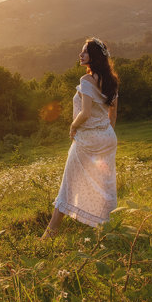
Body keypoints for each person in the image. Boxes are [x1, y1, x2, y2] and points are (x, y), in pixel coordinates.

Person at [42, 37, 119, 238]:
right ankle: (106, 229)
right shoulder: (111, 81)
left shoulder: (86, 81)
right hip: (107, 139)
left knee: (68, 184)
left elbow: (84, 113)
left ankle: (50, 234)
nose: (80, 54)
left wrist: (73, 127)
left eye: (84, 52)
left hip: (87, 141)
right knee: (104, 184)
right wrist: (105, 134)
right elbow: (113, 114)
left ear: (93, 57)